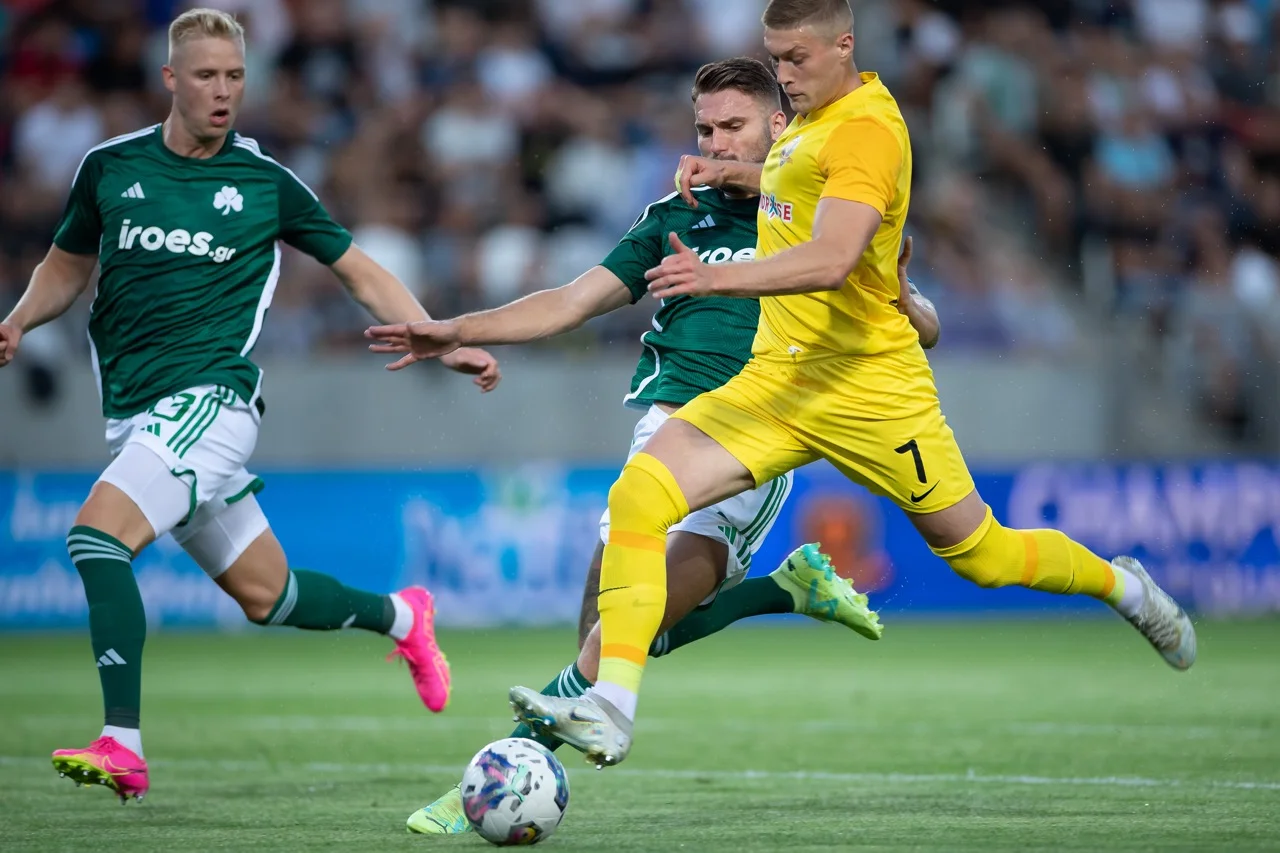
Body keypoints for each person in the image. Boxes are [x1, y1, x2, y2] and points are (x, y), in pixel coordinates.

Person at [496, 0, 1192, 768]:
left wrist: (718, 277)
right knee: (640, 494)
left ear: (844, 46)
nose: (784, 75)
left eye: (796, 59)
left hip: (869, 390)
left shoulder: (868, 130)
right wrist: (732, 169)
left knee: (983, 554)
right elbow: (795, 179)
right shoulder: (811, 120)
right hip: (779, 380)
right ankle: (612, 707)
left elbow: (831, 258)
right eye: (775, 58)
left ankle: (1124, 588)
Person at [369, 57, 937, 833]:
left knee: (613, 644)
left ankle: (487, 784)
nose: (715, 143)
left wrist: (902, 294)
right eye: (705, 128)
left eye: (733, 126)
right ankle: (784, 589)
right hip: (664, 434)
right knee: (611, 635)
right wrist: (458, 327)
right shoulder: (675, 215)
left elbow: (921, 322)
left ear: (780, 126)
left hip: (753, 436)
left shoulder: (822, 213)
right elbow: (571, 301)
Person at [0, 8, 500, 804]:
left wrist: (440, 337)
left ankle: (122, 742)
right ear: (170, 78)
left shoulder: (264, 182)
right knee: (269, 595)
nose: (223, 91)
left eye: (235, 76)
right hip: (138, 415)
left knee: (96, 538)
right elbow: (66, 265)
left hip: (209, 401)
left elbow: (357, 267)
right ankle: (404, 617)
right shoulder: (110, 168)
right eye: (206, 75)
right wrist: (20, 319)